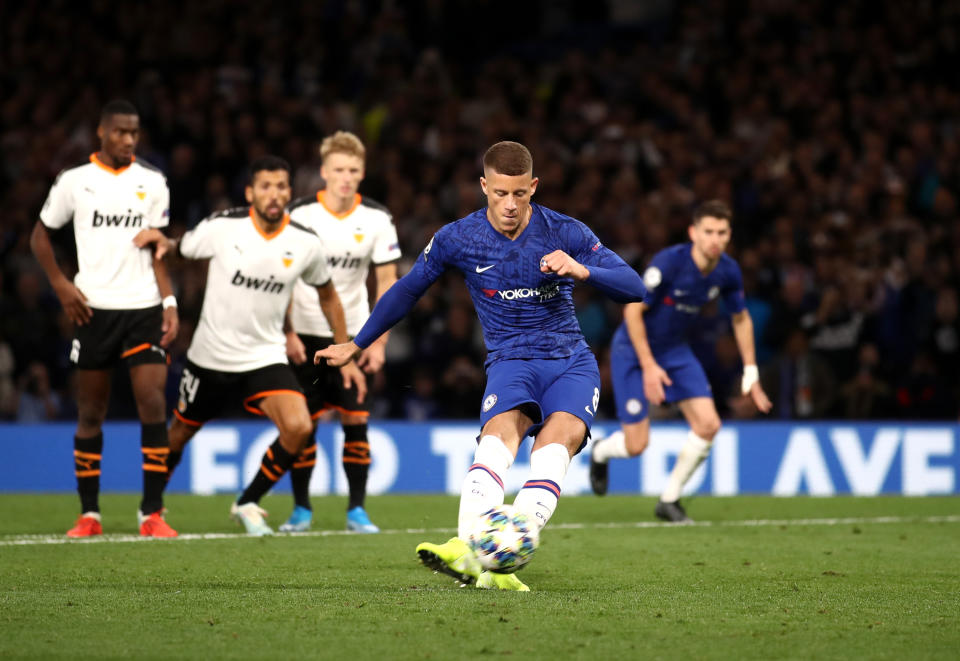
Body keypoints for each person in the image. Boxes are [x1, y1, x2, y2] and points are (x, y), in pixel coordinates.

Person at [315, 141, 645, 590]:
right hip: (511, 362)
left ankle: (494, 559)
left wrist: (582, 270)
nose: (510, 205)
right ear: (484, 186)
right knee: (494, 446)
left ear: (533, 187)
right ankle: (477, 552)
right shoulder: (458, 238)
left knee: (552, 451)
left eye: (520, 195)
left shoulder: (564, 231)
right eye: (500, 194)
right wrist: (358, 342)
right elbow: (409, 289)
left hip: (570, 362)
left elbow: (634, 286)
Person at [134, 155, 365, 536]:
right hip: (210, 357)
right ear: (250, 192)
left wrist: (346, 347)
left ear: (289, 192)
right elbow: (180, 250)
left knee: (299, 426)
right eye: (265, 187)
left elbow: (328, 295)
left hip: (263, 356)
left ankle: (247, 500)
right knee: (177, 435)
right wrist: (165, 242)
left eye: (280, 187)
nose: (274, 195)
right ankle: (151, 510)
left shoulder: (305, 243)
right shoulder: (223, 226)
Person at [30, 100, 179, 538]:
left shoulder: (153, 182)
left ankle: (152, 513)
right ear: (101, 132)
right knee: (91, 409)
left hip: (143, 308)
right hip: (93, 308)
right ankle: (89, 514)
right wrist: (61, 285)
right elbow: (40, 236)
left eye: (134, 132)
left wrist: (169, 302)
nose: (129, 140)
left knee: (152, 403)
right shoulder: (75, 182)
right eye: (120, 132)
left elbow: (158, 251)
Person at [588, 200, 772, 522]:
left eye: (722, 232)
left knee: (709, 424)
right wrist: (648, 366)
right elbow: (632, 309)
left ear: (729, 235)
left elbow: (741, 319)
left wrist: (751, 372)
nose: (715, 239)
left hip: (674, 350)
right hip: (633, 348)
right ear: (693, 233)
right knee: (636, 445)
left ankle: (669, 500)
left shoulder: (727, 271)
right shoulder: (669, 263)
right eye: (709, 232)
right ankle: (601, 450)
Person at [280, 131, 401, 534]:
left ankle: (357, 511)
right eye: (338, 170)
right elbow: (281, 276)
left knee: (355, 418)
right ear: (323, 172)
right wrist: (287, 333)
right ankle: (300, 509)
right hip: (305, 334)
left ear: (362, 173)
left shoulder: (377, 219)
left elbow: (387, 282)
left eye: (352, 170)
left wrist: (378, 341)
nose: (345, 178)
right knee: (304, 423)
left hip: (353, 338)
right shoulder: (299, 216)